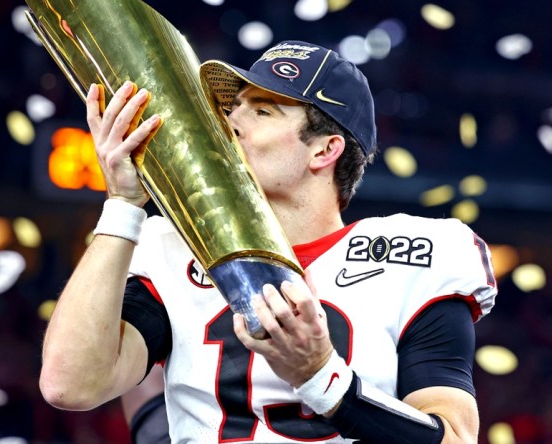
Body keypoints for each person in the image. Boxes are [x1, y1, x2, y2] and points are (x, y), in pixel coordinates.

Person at [39, 40, 497, 443]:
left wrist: (321, 378)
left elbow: (454, 438)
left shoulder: (416, 256)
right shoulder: (172, 245)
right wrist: (122, 204)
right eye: (232, 107)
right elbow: (69, 385)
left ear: (324, 150)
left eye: (261, 110)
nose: (231, 122)